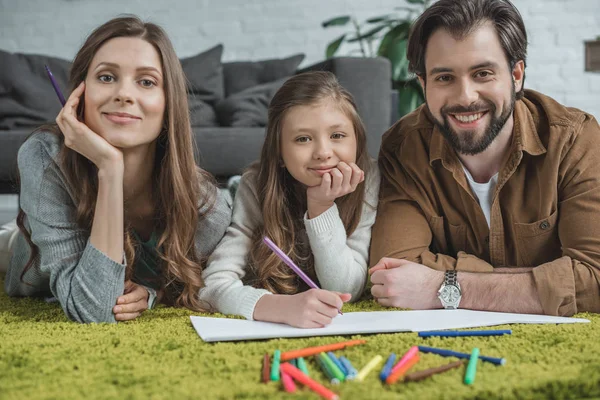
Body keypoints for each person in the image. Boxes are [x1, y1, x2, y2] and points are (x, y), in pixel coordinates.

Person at [370, 0, 600, 316]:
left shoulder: (574, 139)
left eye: (482, 73)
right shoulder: (403, 148)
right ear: (423, 84)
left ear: (516, 75)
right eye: (444, 78)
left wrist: (443, 286)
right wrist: (545, 281)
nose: (465, 97)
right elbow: (393, 274)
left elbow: (595, 279)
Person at [3, 16, 231, 323]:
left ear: (168, 105)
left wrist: (150, 294)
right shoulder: (45, 156)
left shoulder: (207, 208)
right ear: (80, 94)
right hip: (29, 241)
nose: (124, 94)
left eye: (147, 82)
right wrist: (110, 168)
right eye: (107, 77)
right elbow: (92, 310)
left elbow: (183, 283)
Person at [200, 71, 380, 328]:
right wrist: (275, 307)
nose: (323, 153)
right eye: (303, 139)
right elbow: (212, 285)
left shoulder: (369, 179)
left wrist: (321, 207)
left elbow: (346, 290)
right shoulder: (256, 185)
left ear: (358, 143)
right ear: (280, 153)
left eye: (337, 136)